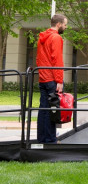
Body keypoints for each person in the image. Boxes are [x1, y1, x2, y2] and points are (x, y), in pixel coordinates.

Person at [36, 14, 67, 144]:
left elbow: (39, 59)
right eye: (65, 24)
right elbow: (57, 60)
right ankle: (50, 140)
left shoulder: (42, 38)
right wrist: (59, 80)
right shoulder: (56, 37)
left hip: (43, 77)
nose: (66, 27)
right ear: (58, 24)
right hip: (51, 79)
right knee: (52, 110)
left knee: (43, 109)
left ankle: (42, 139)